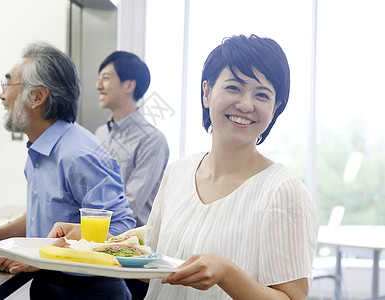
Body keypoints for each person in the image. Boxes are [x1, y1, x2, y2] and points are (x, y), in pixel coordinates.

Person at [48, 34, 319, 300]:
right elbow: (152, 265)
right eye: (234, 88)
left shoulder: (284, 191)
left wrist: (226, 274)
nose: (246, 104)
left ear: (275, 107)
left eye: (262, 94)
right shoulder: (178, 172)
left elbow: (291, 297)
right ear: (207, 92)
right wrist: (92, 241)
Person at [0, 42, 136, 300]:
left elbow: (121, 230)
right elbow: (39, 216)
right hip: (50, 284)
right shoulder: (40, 149)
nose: (2, 96)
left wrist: (45, 257)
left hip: (89, 292)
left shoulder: (78, 154)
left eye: (8, 85)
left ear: (37, 97)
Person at [94, 51, 169, 299]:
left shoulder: (152, 141)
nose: (98, 85)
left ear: (129, 85)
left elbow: (131, 206)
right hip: (96, 251)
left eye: (105, 77)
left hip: (132, 260)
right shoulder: (100, 134)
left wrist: (84, 229)